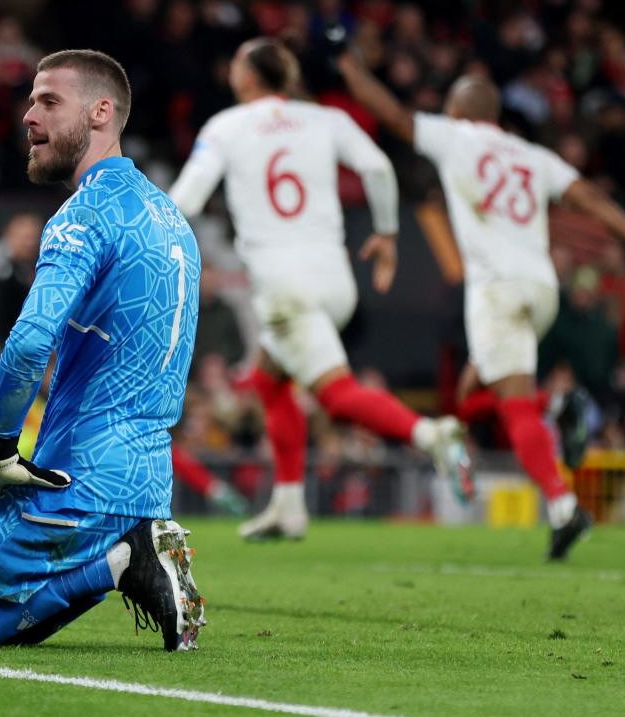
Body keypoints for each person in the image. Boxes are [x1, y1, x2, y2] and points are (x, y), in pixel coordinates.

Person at [0, 50, 206, 652]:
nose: (29, 115)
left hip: (74, 478)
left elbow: (27, 346)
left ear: (102, 113)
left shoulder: (85, 214)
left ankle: (122, 563)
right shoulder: (171, 217)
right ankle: (125, 557)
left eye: (49, 101)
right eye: (29, 100)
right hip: (144, 475)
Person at [337, 49, 625, 560]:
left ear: (458, 112)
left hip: (497, 289)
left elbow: (392, 114)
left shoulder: (456, 137)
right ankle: (559, 409)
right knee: (470, 398)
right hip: (542, 288)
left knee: (515, 406)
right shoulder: (532, 155)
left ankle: (564, 504)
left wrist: (348, 66)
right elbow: (588, 196)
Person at [169, 38, 471, 541]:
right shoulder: (326, 119)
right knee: (269, 381)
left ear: (246, 76)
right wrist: (388, 234)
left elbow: (188, 197)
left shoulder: (225, 127)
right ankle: (288, 506)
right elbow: (377, 167)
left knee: (336, 395)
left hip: (284, 287)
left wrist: (154, 241)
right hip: (335, 280)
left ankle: (432, 434)